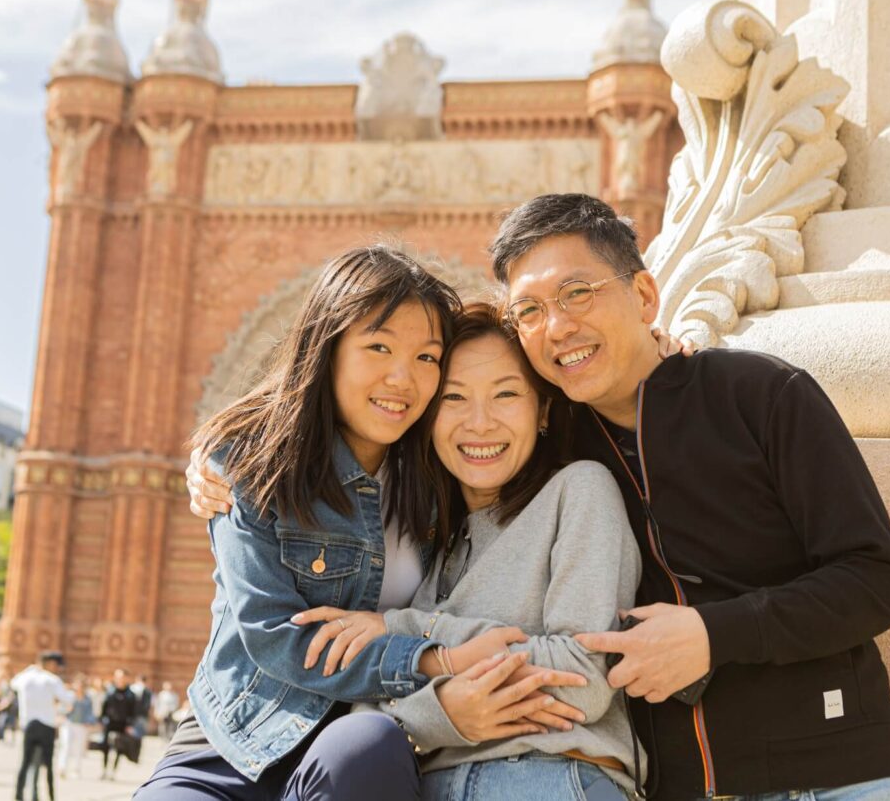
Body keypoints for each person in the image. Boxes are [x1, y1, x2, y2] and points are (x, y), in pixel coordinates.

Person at [486, 193, 890, 800]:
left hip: (833, 775)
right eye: (527, 310)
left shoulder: (762, 394)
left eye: (577, 293)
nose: (556, 326)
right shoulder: (550, 452)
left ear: (643, 297)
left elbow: (877, 580)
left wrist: (712, 635)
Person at [137, 246, 580, 801]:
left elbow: (546, 428)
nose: (403, 378)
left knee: (368, 742)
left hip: (362, 753)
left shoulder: (442, 471)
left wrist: (662, 359)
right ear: (328, 350)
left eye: (427, 358)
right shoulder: (255, 465)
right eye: (378, 347)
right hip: (235, 744)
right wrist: (432, 660)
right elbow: (273, 636)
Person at [291, 304, 644, 799]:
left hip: (549, 777)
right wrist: (445, 707)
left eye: (505, 394)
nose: (480, 423)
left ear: (542, 409)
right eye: (454, 397)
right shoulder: (426, 537)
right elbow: (373, 704)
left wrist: (408, 635)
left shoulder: (578, 490)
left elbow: (582, 677)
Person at [12, 651, 73, 801]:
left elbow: (13, 683)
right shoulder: (52, 680)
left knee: (25, 763)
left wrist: (29, 669)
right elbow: (68, 700)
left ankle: (18, 796)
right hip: (47, 725)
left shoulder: (25, 678)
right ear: (51, 664)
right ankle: (50, 796)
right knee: (48, 766)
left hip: (29, 725)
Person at [100, 668, 139, 780]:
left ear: (126, 678)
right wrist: (102, 719)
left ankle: (113, 771)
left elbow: (133, 711)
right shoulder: (110, 692)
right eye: (117, 677)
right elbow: (104, 707)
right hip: (110, 722)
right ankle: (104, 770)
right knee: (105, 747)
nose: (119, 679)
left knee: (119, 748)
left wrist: (130, 725)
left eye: (122, 677)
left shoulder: (131, 695)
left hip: (123, 724)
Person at [58, 675, 95, 778]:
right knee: (65, 745)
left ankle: (76, 770)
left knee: (79, 748)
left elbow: (90, 713)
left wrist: (90, 721)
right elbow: (61, 709)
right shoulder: (69, 696)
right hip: (68, 723)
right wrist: (66, 710)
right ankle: (62, 768)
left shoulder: (87, 698)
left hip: (81, 725)